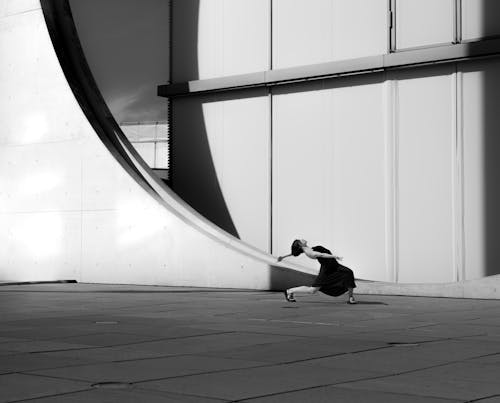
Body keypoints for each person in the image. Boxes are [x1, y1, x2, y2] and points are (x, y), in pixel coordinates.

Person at [277, 239, 357, 304]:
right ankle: (289, 291)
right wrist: (335, 256)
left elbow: (294, 253)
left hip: (335, 266)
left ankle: (351, 298)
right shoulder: (310, 252)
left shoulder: (308, 249)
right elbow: (322, 255)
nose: (303, 239)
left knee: (349, 273)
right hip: (327, 270)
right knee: (312, 290)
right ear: (300, 245)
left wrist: (283, 257)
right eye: (301, 241)